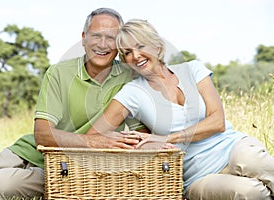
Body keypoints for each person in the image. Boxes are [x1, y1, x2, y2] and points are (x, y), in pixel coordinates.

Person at [86, 19, 274, 200]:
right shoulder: (132, 93)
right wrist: (128, 143)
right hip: (199, 175)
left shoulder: (192, 69)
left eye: (141, 46)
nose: (135, 56)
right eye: (127, 52)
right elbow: (93, 135)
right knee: (251, 193)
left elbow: (217, 122)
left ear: (157, 47)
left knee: (252, 160)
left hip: (233, 147)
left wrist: (166, 139)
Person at [0, 8, 148, 200]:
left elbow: (140, 136)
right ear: (83, 38)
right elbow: (42, 135)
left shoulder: (130, 80)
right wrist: (95, 141)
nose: (102, 44)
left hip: (64, 169)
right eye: (96, 36)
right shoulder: (59, 72)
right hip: (28, 152)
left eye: (111, 37)